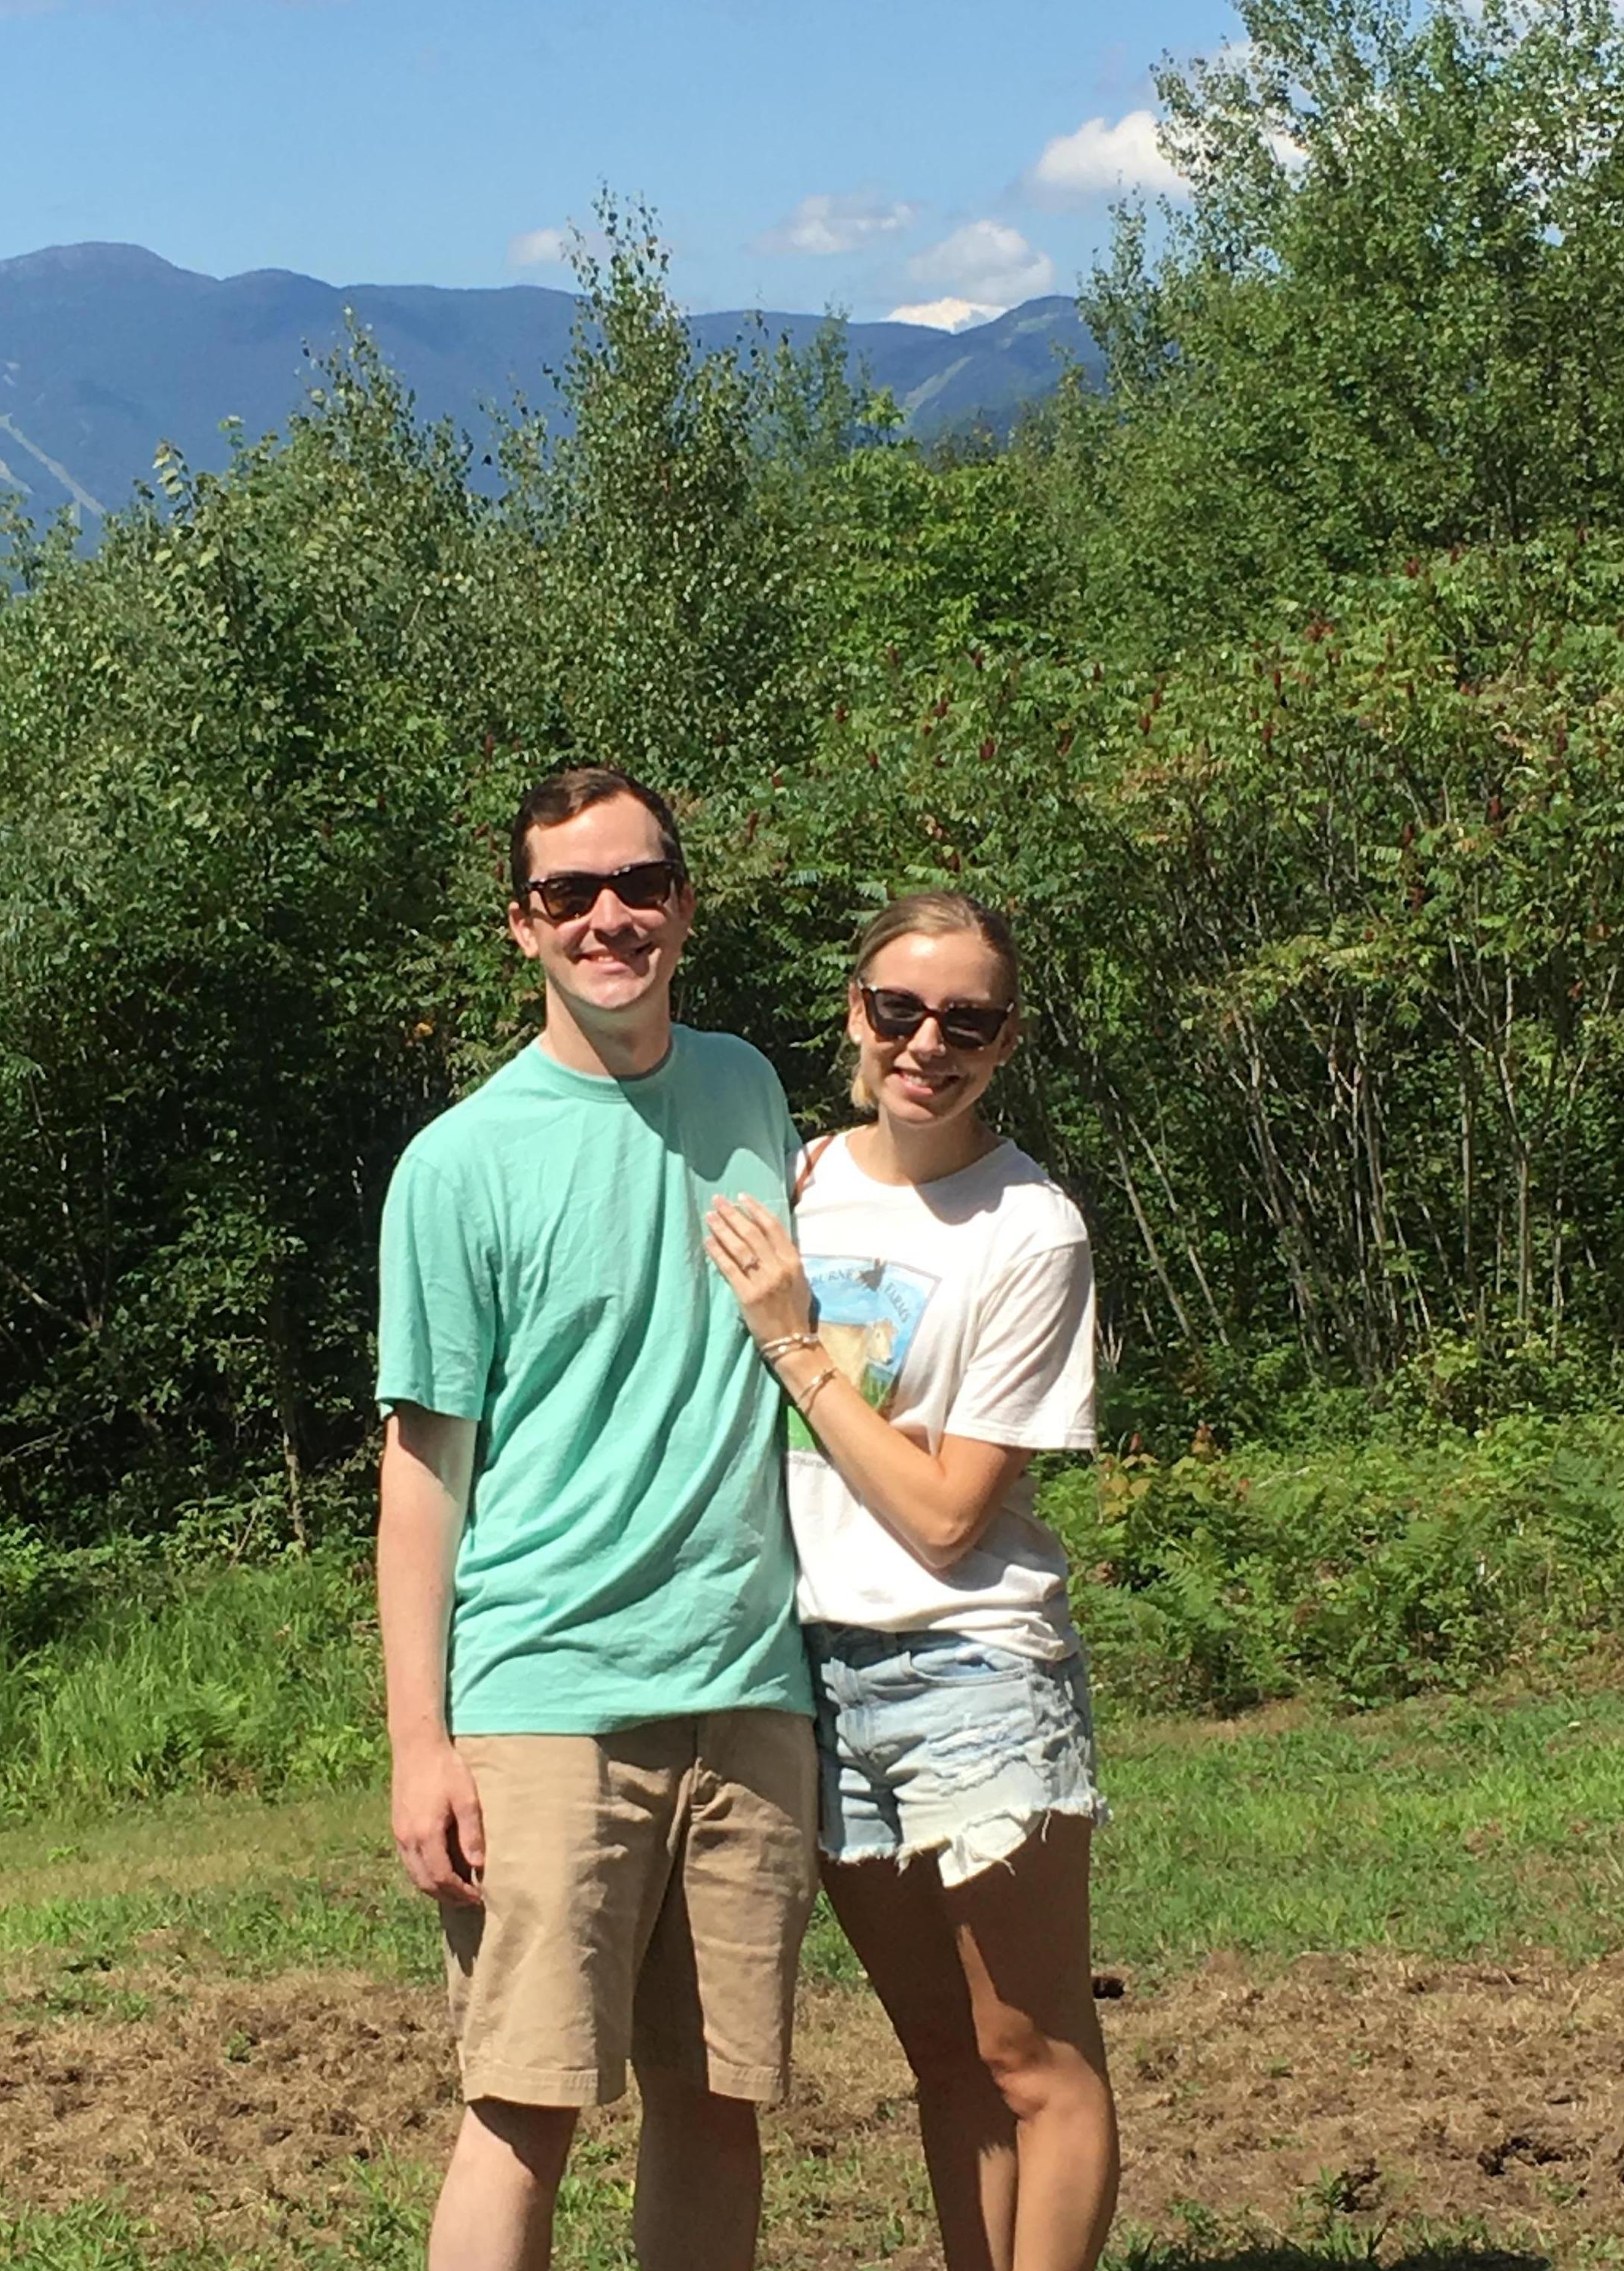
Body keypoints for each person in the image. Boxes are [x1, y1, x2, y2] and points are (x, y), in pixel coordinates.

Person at [373, 764, 818, 2271]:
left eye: (637, 884)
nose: (608, 917)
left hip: (748, 1690)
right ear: (521, 926)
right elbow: (423, 1470)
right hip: (547, 1702)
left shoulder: (750, 1088)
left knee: (714, 2104)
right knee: (522, 2106)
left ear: (684, 903)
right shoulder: (457, 1164)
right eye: (570, 893)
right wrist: (419, 1743)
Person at [702, 889, 1120, 2271]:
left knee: (1032, 2057)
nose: (927, 1043)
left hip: (971, 1667)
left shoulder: (1028, 1229)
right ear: (854, 1016)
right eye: (900, 1010)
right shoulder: (799, 1181)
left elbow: (949, 1515)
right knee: (942, 2060)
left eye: (968, 1020)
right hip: (810, 1669)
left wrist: (796, 1346)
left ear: (1007, 1043)